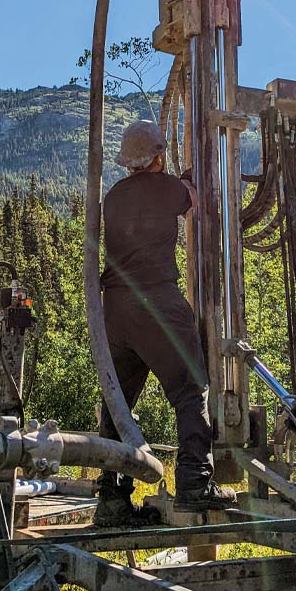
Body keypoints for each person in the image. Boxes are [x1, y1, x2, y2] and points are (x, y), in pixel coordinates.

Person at [94, 119, 236, 525]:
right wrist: (188, 177)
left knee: (118, 402)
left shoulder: (114, 196)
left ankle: (112, 498)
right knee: (190, 389)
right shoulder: (167, 187)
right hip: (156, 300)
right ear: (158, 157)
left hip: (116, 310)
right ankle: (195, 481)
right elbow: (194, 200)